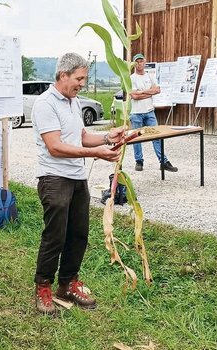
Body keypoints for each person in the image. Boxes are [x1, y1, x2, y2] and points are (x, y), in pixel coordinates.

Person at [31, 52, 126, 314]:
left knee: (78, 235)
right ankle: (43, 288)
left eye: (83, 79)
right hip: (54, 178)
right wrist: (97, 154)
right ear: (63, 75)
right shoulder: (45, 104)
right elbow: (55, 147)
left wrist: (108, 137)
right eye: (79, 78)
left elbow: (81, 136)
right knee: (55, 237)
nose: (82, 83)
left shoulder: (72, 101)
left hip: (76, 179)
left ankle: (68, 284)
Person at [129, 53, 178, 172]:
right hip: (136, 112)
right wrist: (149, 92)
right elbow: (134, 96)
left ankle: (163, 161)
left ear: (145, 62)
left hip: (149, 111)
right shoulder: (132, 78)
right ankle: (139, 161)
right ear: (134, 63)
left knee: (157, 136)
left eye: (141, 61)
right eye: (137, 61)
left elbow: (158, 90)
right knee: (137, 138)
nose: (139, 63)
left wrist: (142, 92)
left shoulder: (150, 76)